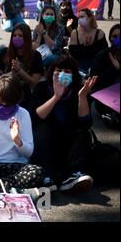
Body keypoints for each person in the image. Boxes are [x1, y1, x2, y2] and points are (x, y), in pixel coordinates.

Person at [29, 55, 97, 193]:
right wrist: (56, 97)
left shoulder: (79, 90)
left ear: (73, 75)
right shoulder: (42, 88)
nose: (62, 74)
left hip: (68, 144)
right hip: (47, 145)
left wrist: (82, 97)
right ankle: (46, 176)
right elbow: (35, 118)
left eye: (67, 71)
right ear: (52, 71)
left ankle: (74, 174)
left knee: (84, 134)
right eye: (58, 70)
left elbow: (85, 123)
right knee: (42, 129)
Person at [0, 23, 43, 108]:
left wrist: (20, 71)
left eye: (21, 36)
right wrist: (10, 75)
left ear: (27, 38)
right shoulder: (5, 52)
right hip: (5, 92)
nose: (17, 38)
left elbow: (34, 84)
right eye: (15, 35)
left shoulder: (36, 56)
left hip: (24, 95)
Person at [90, 24, 120, 127]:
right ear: (110, 38)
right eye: (114, 36)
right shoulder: (102, 55)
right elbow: (95, 80)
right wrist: (114, 68)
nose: (117, 39)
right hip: (107, 93)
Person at [68, 8, 108, 74]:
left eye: (82, 17)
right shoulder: (75, 33)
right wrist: (85, 46)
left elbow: (103, 53)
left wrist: (88, 47)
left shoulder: (99, 33)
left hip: (95, 65)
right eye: (79, 17)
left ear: (90, 18)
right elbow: (73, 53)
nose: (80, 19)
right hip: (79, 66)